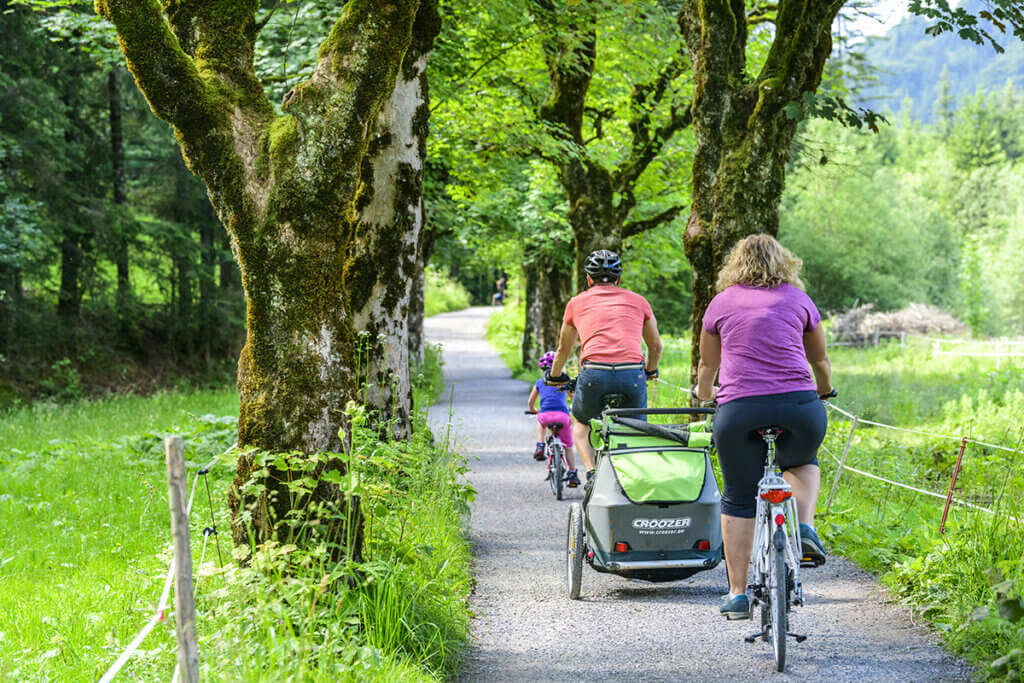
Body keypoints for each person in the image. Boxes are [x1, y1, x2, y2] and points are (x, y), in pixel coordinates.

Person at [693, 234, 834, 620]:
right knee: (802, 461)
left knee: (739, 496)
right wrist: (826, 390)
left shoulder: (721, 302)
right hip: (799, 407)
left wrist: (705, 395)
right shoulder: (799, 299)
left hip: (740, 409)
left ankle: (738, 594)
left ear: (734, 264)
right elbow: (819, 362)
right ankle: (804, 529)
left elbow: (708, 367)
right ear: (785, 262)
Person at [545, 250, 663, 488]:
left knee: (581, 423)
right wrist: (649, 371)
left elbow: (563, 350)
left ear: (589, 279)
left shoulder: (576, 303)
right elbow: (656, 346)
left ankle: (591, 473)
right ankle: (632, 477)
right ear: (618, 279)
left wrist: (554, 375)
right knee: (635, 427)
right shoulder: (639, 301)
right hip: (632, 373)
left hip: (594, 373)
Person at [528, 351, 581, 488]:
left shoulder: (540, 382)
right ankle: (572, 473)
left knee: (540, 422)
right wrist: (572, 408)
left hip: (545, 415)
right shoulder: (564, 381)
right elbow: (574, 399)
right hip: (563, 416)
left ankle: (540, 445)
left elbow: (530, 402)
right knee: (568, 446)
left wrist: (534, 410)